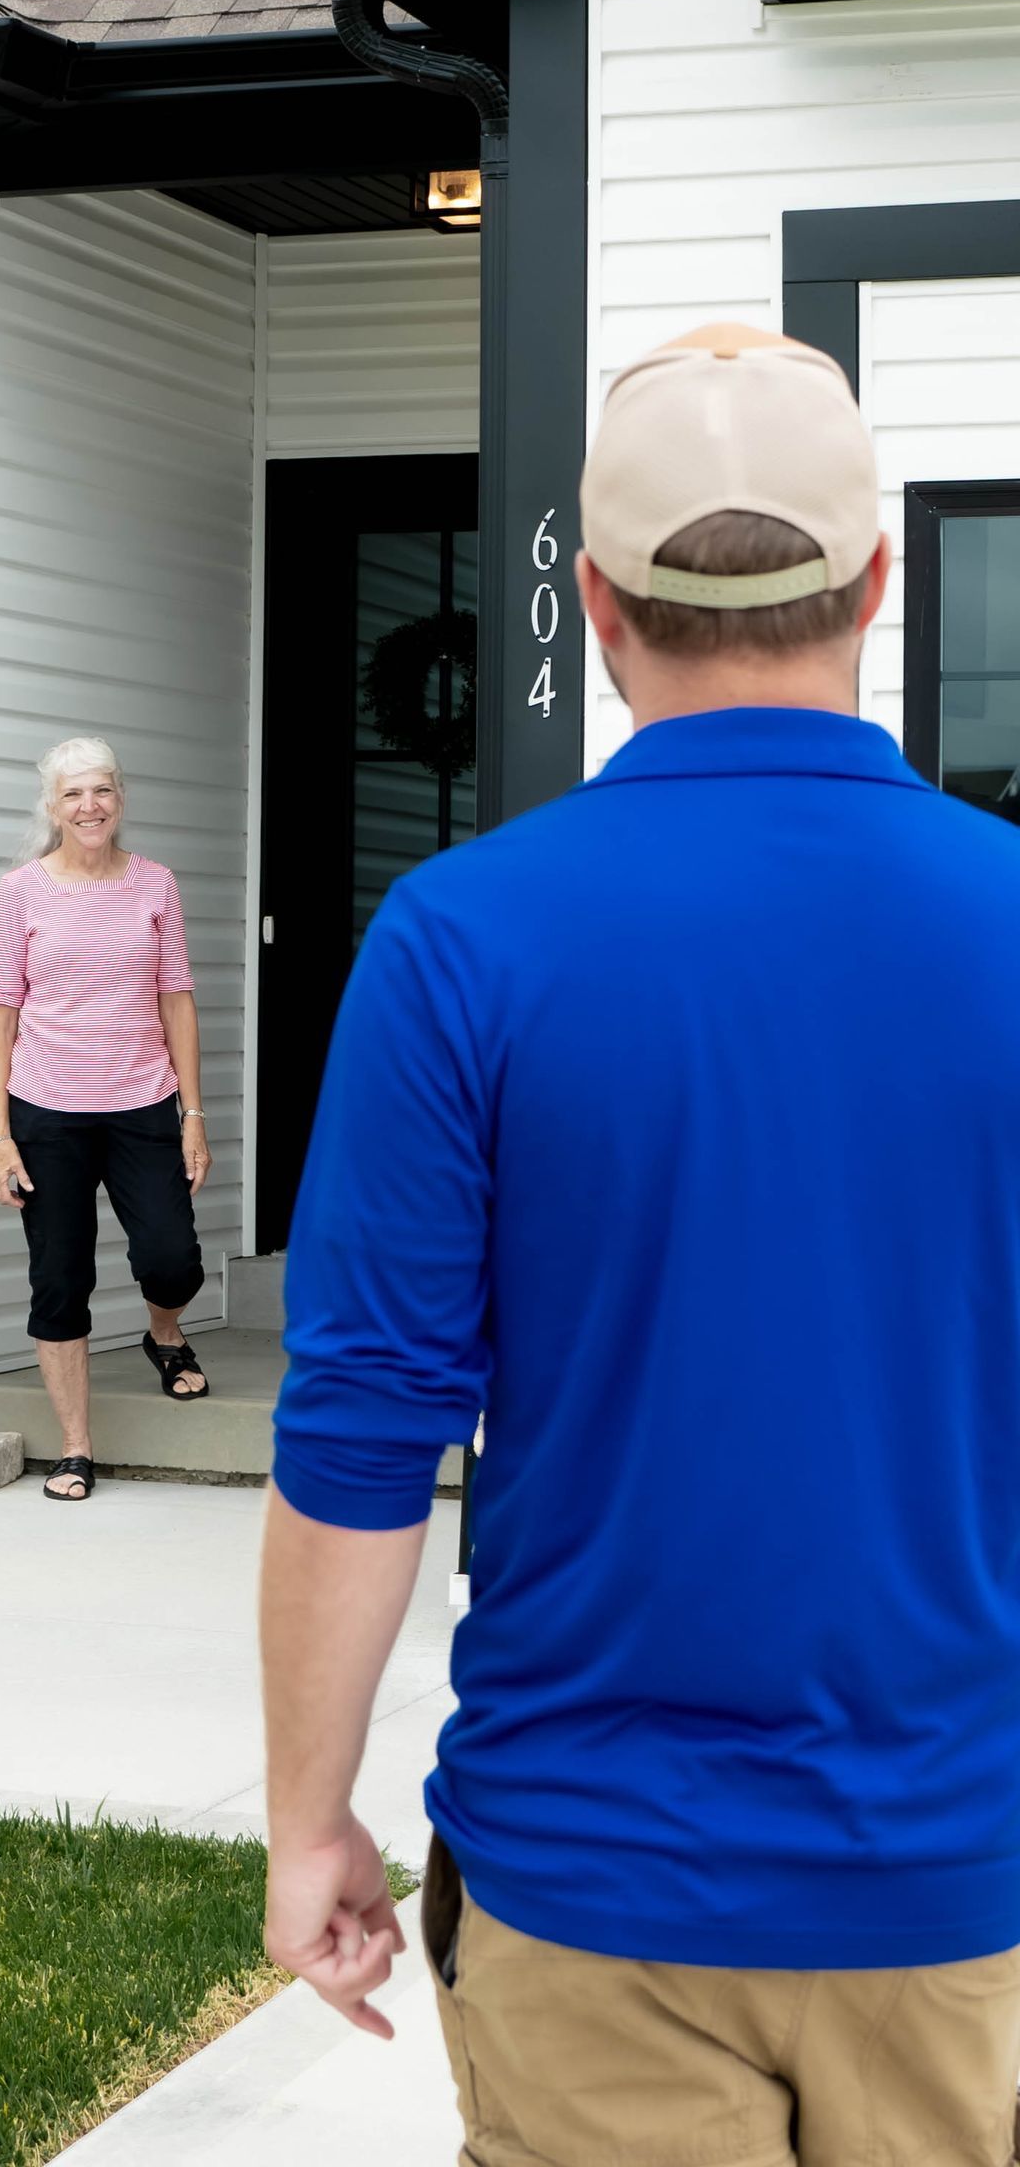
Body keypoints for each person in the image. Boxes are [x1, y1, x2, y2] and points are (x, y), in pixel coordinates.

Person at [261, 321, 1020, 2162]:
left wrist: (309, 1825)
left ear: (596, 602)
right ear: (883, 584)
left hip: (593, 1889)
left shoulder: (460, 943)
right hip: (965, 1889)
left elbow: (363, 1446)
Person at [0, 735, 213, 1503]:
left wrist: (192, 1113)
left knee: (173, 1256)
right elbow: (0, 1017)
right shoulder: (21, 891)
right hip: (46, 1111)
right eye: (74, 794)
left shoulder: (156, 885)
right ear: (53, 806)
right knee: (60, 1278)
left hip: (144, 1102)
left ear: (121, 800)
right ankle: (77, 1448)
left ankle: (165, 1332)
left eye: (103, 791)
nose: (90, 806)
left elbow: (175, 998)